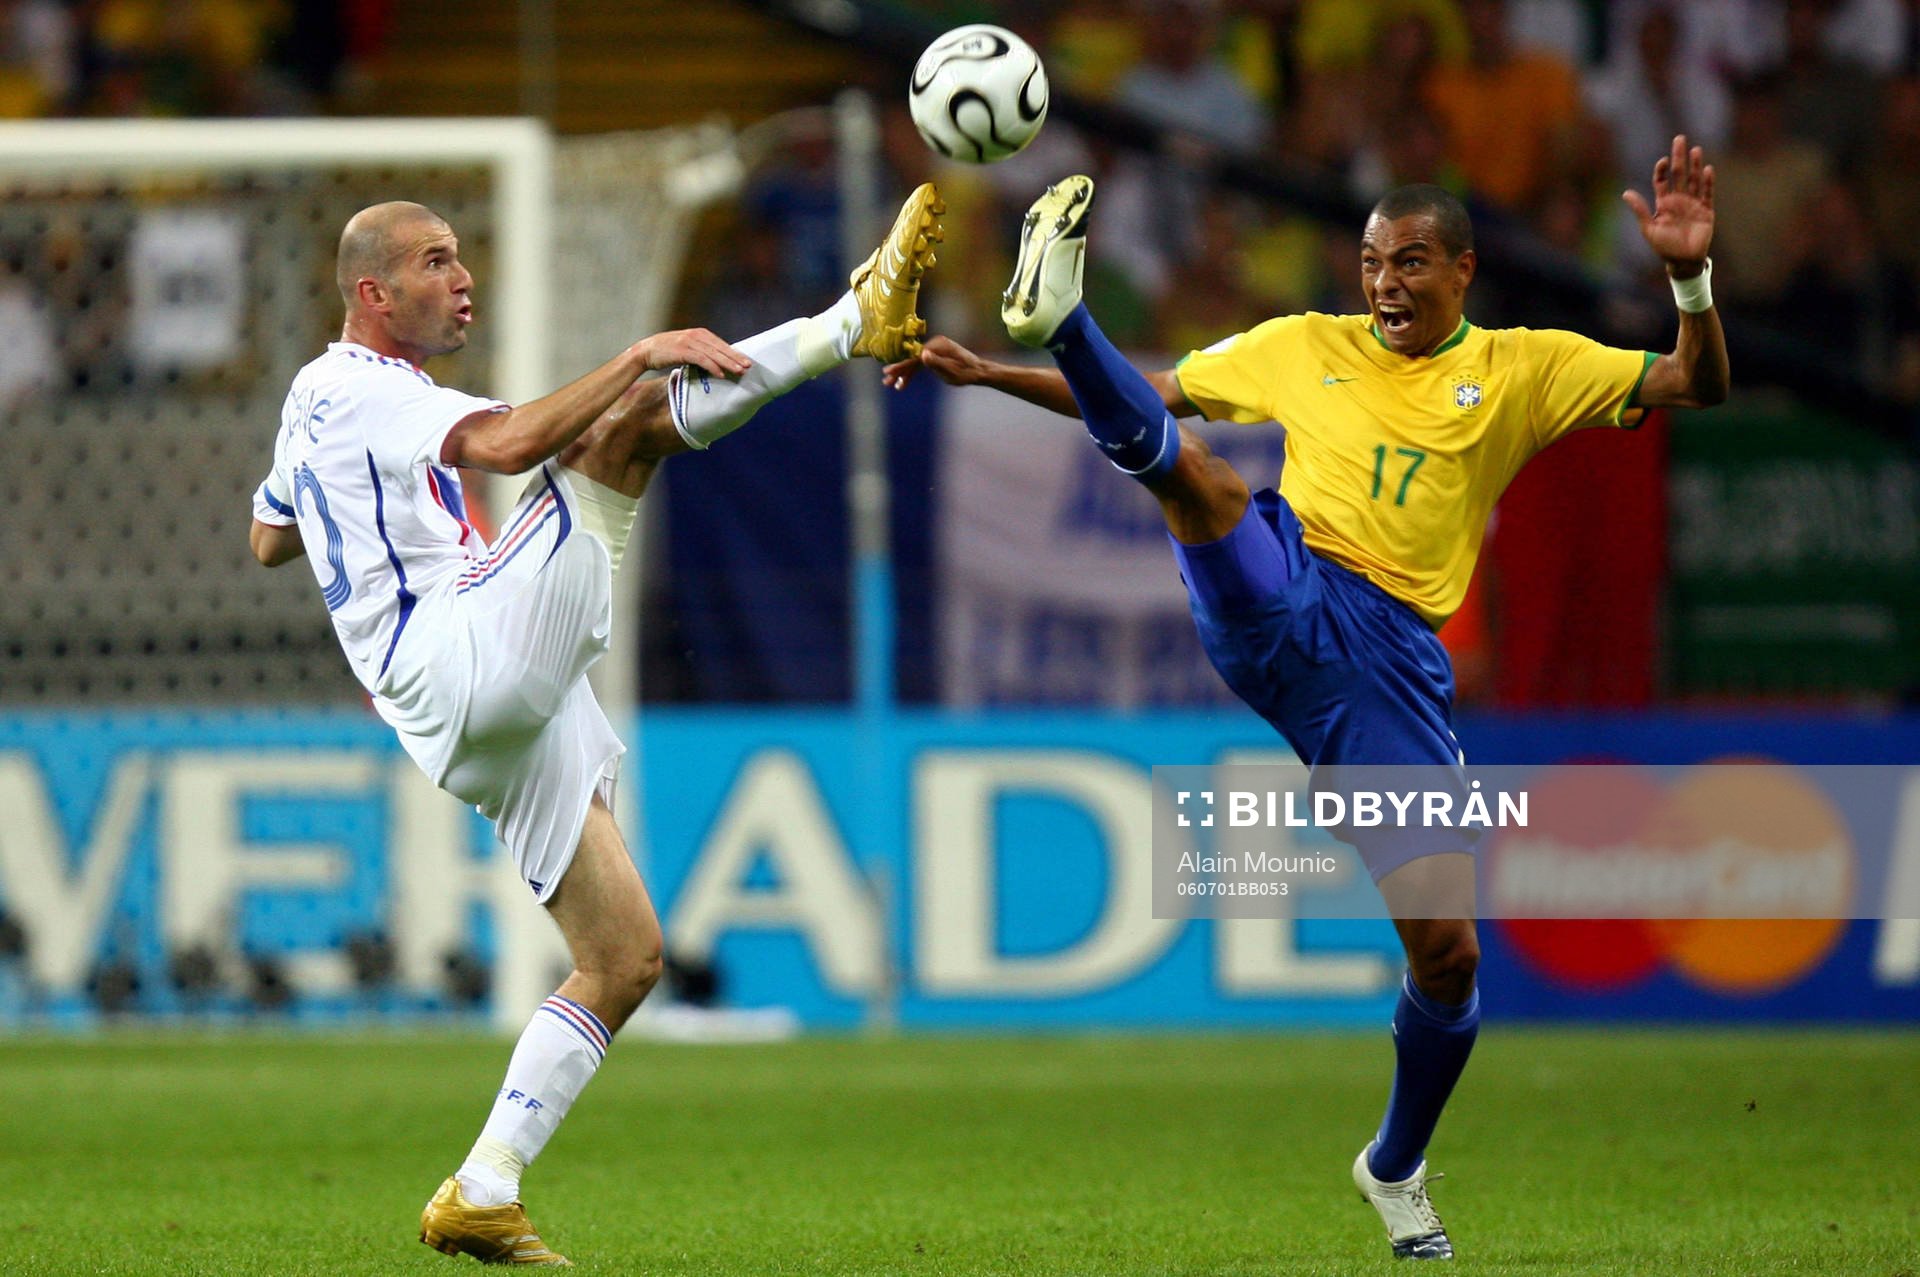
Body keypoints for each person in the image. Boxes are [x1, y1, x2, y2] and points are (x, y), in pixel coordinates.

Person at [883, 136, 1726, 1260]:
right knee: (1198, 473)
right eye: (1372, 262)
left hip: (1390, 671)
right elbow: (1152, 399)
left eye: (1411, 261)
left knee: (1449, 956)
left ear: (1463, 270)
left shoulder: (1526, 368)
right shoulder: (1301, 344)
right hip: (1286, 582)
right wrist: (995, 370)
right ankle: (1064, 318)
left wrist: (1689, 281)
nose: (1386, 283)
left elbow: (1695, 383)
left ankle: (1395, 1164)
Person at [248, 184, 945, 1265]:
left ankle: (483, 1188)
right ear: (372, 294)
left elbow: (266, 537)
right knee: (624, 428)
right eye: (435, 261)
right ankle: (855, 320)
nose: (463, 278)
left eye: (460, 257)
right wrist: (638, 351)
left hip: (449, 707)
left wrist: (348, 510)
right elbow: (511, 441)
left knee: (623, 957)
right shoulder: (366, 388)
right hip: (459, 652)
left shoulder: (316, 402)